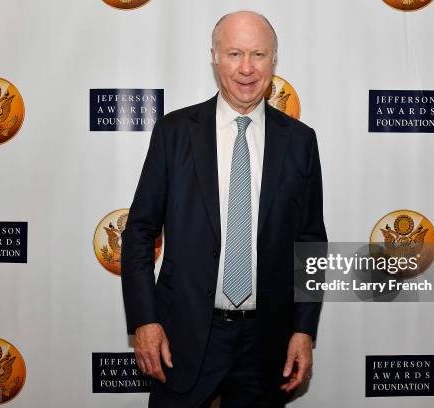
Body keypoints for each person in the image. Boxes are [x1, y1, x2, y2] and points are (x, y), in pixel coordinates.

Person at [121, 10, 327, 408]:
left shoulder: (301, 141)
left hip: (267, 342)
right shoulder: (174, 132)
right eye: (234, 54)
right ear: (214, 57)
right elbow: (139, 231)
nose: (247, 69)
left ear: (274, 60)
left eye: (258, 55)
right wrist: (145, 321)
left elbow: (311, 242)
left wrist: (303, 330)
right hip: (184, 335)